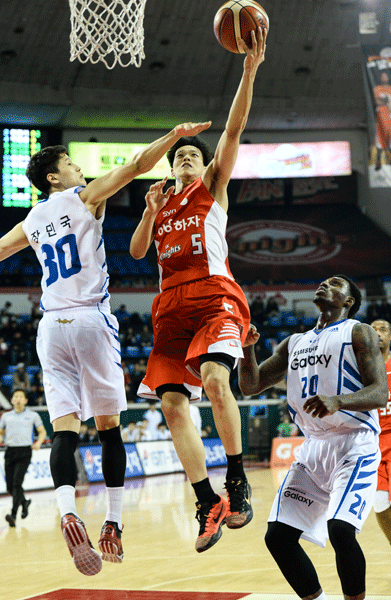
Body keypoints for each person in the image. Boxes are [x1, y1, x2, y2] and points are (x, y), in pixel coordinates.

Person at [0, 120, 211, 576]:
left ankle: (66, 512)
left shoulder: (32, 219)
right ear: (55, 178)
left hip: (50, 325)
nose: (79, 169)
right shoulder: (83, 198)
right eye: (72, 165)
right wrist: (174, 137)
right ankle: (112, 522)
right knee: (110, 426)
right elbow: (137, 165)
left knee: (64, 429)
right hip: (91, 320)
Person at [129, 27, 267, 553]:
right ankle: (206, 498)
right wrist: (147, 212)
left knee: (213, 378)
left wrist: (248, 69)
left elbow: (232, 130)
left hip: (214, 295)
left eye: (191, 155)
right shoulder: (161, 208)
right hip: (169, 307)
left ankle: (236, 477)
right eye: (178, 156)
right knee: (169, 404)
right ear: (169, 167)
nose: (184, 158)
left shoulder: (212, 186)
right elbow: (139, 253)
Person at [238, 275, 388, 600]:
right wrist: (246, 349)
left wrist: (338, 401)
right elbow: (250, 385)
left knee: (341, 530)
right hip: (313, 448)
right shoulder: (294, 343)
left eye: (334, 283)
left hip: (354, 443)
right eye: (323, 281)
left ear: (349, 301)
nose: (324, 284)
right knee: (277, 536)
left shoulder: (357, 332)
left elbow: (380, 392)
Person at [370, 319, 391, 582]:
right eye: (373, 329)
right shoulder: (360, 368)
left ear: (390, 336)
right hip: (371, 443)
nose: (377, 333)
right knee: (379, 506)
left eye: (382, 329)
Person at [0, 388, 46, 527]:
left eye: (21, 396)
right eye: (15, 396)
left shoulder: (33, 415)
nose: (18, 398)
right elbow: (1, 432)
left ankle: (13, 514)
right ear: (12, 400)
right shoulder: (5, 416)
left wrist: (38, 442)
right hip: (10, 451)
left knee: (16, 483)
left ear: (25, 400)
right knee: (9, 487)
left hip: (25, 452)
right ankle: (24, 502)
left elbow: (42, 431)